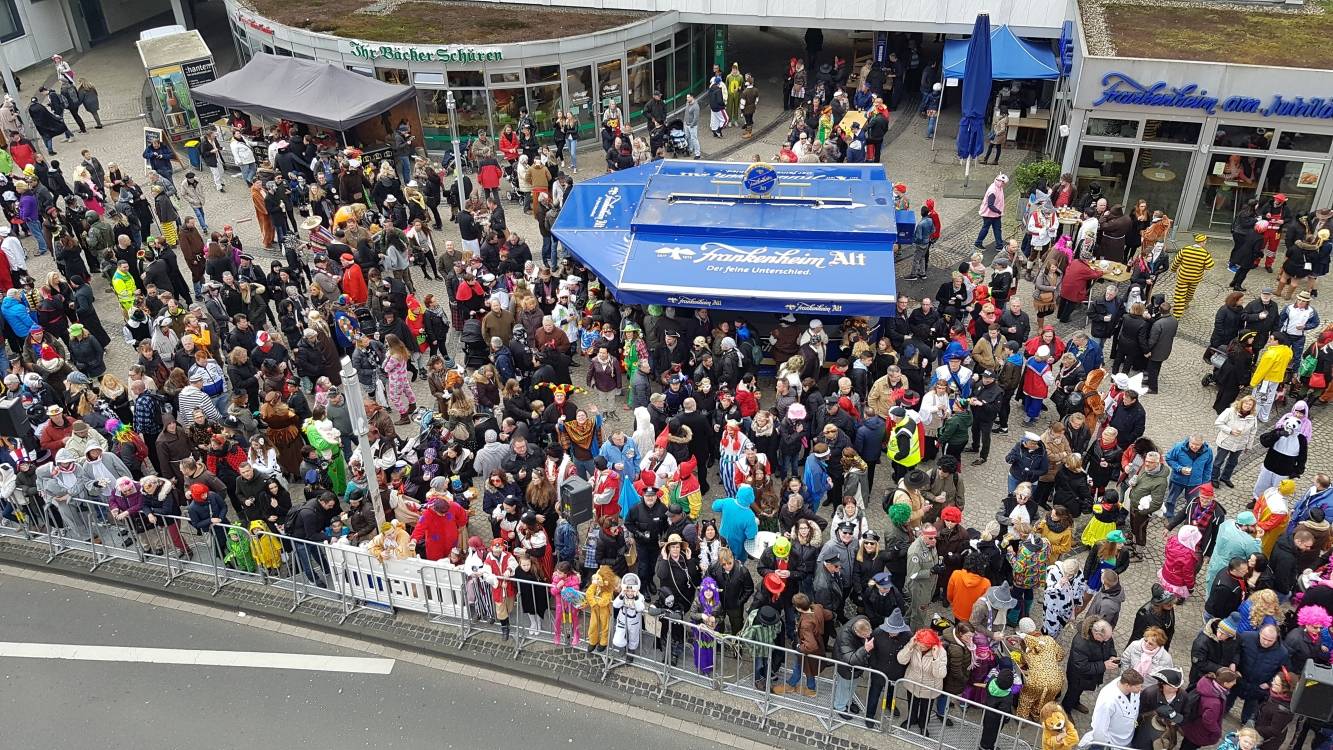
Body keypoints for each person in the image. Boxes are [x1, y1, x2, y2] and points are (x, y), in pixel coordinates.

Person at [1084, 668, 1144, 749]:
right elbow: (1100, 727)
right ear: (1127, 685)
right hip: (1111, 743)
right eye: (1138, 687)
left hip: (1126, 737)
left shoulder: (1133, 688)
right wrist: (1106, 745)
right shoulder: (1108, 701)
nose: (1141, 689)